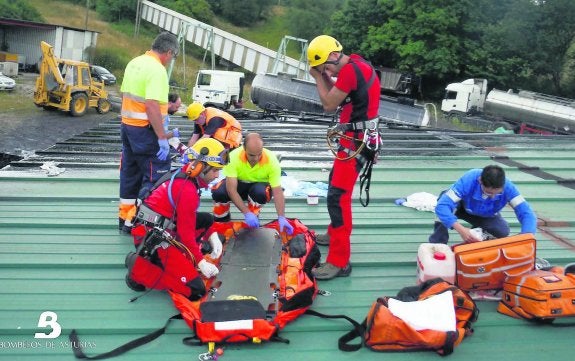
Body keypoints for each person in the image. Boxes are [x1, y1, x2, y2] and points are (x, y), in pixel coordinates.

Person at [307, 35, 381, 280]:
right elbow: (339, 92)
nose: (326, 72)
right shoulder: (358, 63)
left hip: (355, 141)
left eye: (326, 67)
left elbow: (328, 103)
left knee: (338, 198)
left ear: (332, 57)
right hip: (357, 138)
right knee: (334, 187)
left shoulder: (350, 72)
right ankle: (333, 234)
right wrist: (324, 74)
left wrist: (318, 77)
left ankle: (340, 261)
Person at [125, 138, 228, 300]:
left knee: (207, 220)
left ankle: (177, 259)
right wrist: (201, 262)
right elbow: (185, 233)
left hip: (159, 229)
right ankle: (138, 270)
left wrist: (213, 235)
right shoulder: (187, 189)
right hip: (154, 240)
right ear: (201, 167)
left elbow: (188, 219)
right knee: (196, 290)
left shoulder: (185, 177)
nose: (217, 175)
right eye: (215, 170)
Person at [118, 32, 179, 233]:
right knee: (156, 175)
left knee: (130, 174)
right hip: (146, 131)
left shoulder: (135, 62)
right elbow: (152, 104)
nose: (170, 60)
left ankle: (126, 220)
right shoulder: (157, 70)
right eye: (172, 56)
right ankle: (144, 223)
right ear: (168, 52)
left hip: (127, 127)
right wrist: (162, 136)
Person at [429, 164, 537, 244]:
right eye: (489, 193)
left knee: (502, 230)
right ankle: (438, 243)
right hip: (461, 206)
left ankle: (472, 240)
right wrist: (461, 229)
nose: (493, 197)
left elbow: (526, 213)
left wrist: (527, 236)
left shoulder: (509, 188)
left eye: (497, 193)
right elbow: (442, 206)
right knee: (443, 203)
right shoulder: (469, 178)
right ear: (480, 180)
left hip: (485, 213)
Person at [211, 132, 293, 235]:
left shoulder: (271, 160)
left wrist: (281, 216)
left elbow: (277, 191)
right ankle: (222, 222)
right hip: (238, 185)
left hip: (258, 186)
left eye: (259, 154)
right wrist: (246, 213)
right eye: (251, 155)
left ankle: (253, 219)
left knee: (260, 193)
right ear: (244, 148)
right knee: (219, 193)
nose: (256, 158)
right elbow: (231, 190)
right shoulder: (233, 157)